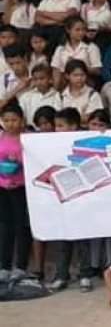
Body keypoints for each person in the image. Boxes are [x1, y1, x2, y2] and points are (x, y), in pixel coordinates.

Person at [0, 103, 29, 281]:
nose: (10, 124)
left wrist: (18, 162)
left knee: (21, 226)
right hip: (2, 188)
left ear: (22, 120)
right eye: (6, 120)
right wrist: (4, 181)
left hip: (21, 187)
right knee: (5, 226)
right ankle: (4, 265)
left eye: (14, 120)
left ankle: (20, 265)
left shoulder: (27, 139)